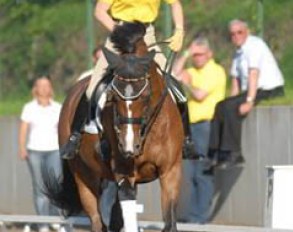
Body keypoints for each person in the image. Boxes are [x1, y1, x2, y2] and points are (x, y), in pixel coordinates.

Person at [60, 0, 195, 159]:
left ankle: (186, 139)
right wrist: (120, 32)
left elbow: (175, 4)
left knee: (173, 84)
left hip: (146, 36)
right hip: (119, 34)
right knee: (93, 88)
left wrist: (179, 30)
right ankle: (75, 136)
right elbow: (99, 11)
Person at [209, 19, 285, 168]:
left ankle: (234, 153)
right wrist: (230, 101)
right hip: (253, 88)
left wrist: (249, 101)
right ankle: (215, 152)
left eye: (239, 32)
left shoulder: (254, 45)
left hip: (268, 89)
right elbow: (236, 81)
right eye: (232, 34)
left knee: (232, 108)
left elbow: (253, 74)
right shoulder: (239, 52)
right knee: (221, 106)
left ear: (247, 32)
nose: (236, 36)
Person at [174, 34, 226, 223]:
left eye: (200, 54)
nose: (198, 58)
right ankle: (194, 214)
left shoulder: (215, 71)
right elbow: (174, 73)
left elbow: (200, 95)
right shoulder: (193, 70)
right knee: (191, 173)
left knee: (202, 171)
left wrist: (187, 82)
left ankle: (200, 216)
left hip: (207, 125)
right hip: (191, 126)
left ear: (209, 54)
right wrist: (187, 52)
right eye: (195, 55)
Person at [18, 76, 62, 232]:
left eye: (47, 85)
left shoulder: (57, 107)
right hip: (35, 151)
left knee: (55, 186)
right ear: (35, 89)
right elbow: (23, 129)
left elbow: (62, 130)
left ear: (51, 88)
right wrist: (22, 148)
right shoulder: (29, 107)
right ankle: (42, 222)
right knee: (40, 188)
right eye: (40, 86)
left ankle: (55, 219)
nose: (44, 88)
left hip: (54, 151)